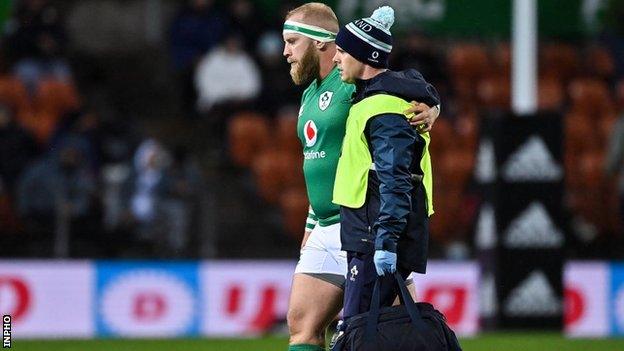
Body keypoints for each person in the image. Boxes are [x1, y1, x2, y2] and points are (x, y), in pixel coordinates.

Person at [281, 3, 440, 350]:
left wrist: (432, 106)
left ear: (322, 43)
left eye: (292, 41)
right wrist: (311, 224)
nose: (285, 52)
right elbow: (320, 164)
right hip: (325, 225)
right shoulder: (310, 91)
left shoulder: (352, 80)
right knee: (302, 325)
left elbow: (404, 81)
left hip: (362, 223)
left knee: (389, 334)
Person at [331, 6, 438, 321]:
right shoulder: (376, 99)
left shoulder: (383, 111)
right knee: (371, 331)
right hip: (370, 231)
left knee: (356, 329)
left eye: (341, 51)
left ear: (364, 57)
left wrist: (386, 242)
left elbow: (396, 178)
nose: (336, 58)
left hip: (373, 233)